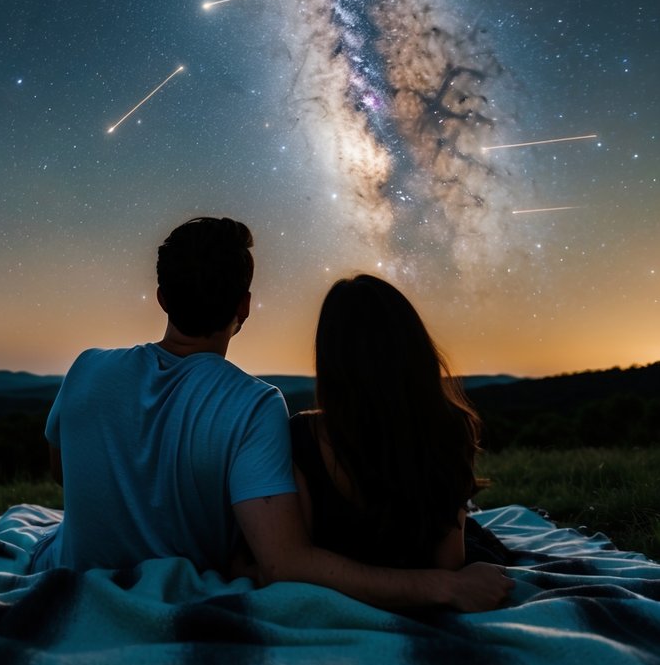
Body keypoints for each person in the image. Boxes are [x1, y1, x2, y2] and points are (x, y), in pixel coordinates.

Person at [32, 217, 512, 612]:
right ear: (244, 305)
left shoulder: (86, 367)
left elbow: (62, 473)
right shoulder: (253, 405)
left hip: (64, 573)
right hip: (183, 593)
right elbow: (283, 560)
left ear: (161, 298)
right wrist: (443, 587)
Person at [290, 274, 506, 570]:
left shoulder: (302, 436)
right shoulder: (451, 427)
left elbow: (295, 555)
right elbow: (450, 565)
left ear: (329, 359)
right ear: (415, 348)